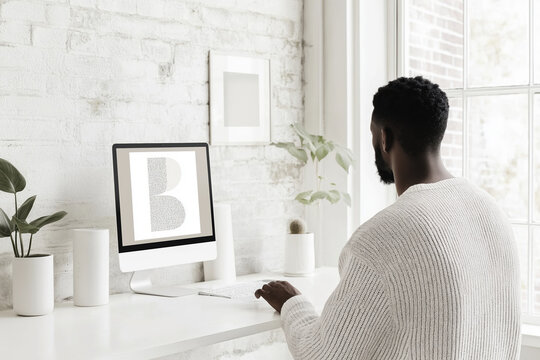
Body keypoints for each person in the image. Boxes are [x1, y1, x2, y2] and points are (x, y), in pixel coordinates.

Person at [255, 76, 521, 359]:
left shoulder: (384, 236)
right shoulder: (492, 211)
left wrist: (291, 303)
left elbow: (322, 355)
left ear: (385, 138)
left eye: (373, 133)